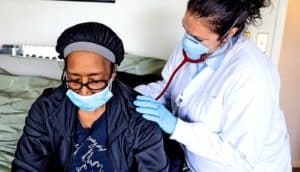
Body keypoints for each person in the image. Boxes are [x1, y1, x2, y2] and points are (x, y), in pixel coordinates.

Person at [133, 0, 292, 171]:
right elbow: (168, 87)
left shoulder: (252, 76)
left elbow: (240, 158)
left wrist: (176, 127)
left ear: (229, 34)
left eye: (198, 38)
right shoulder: (188, 48)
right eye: (186, 30)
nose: (187, 41)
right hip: (194, 162)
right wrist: (132, 95)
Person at [12, 22, 169, 172]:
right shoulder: (47, 109)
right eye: (74, 79)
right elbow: (27, 165)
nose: (84, 91)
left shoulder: (140, 116)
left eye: (95, 81)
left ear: (113, 72)